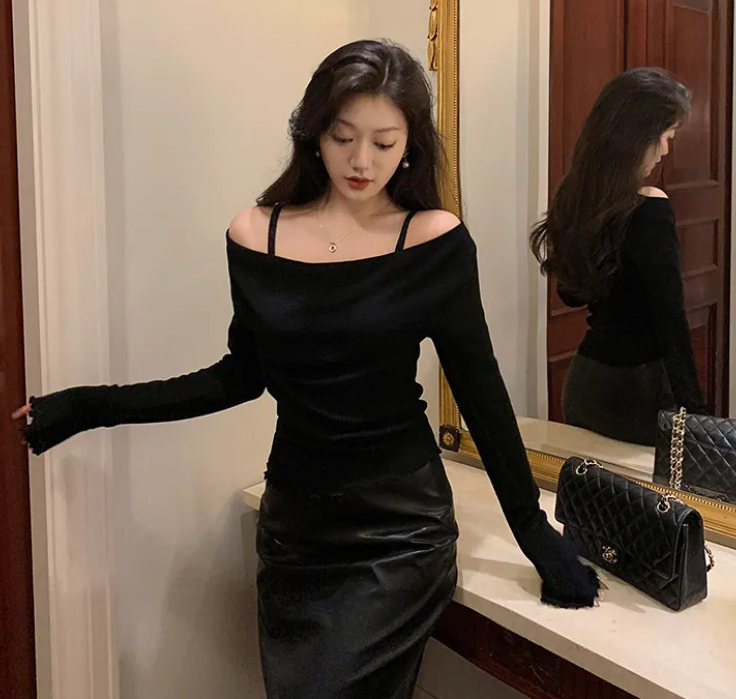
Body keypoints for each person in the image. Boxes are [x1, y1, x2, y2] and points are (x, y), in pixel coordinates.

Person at [13, 39, 598, 699]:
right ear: (314, 133)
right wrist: (85, 406)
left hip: (398, 530)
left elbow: (481, 393)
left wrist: (536, 535)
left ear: (410, 145)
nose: (361, 160)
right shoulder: (254, 234)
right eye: (343, 136)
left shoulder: (434, 241)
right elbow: (238, 377)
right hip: (295, 529)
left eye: (384, 142)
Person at [530, 67, 707, 447]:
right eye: (666, 136)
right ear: (639, 136)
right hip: (640, 392)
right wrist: (696, 417)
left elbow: (571, 295)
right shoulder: (650, 208)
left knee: (593, 483)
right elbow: (670, 321)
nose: (666, 151)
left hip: (587, 382)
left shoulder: (576, 200)